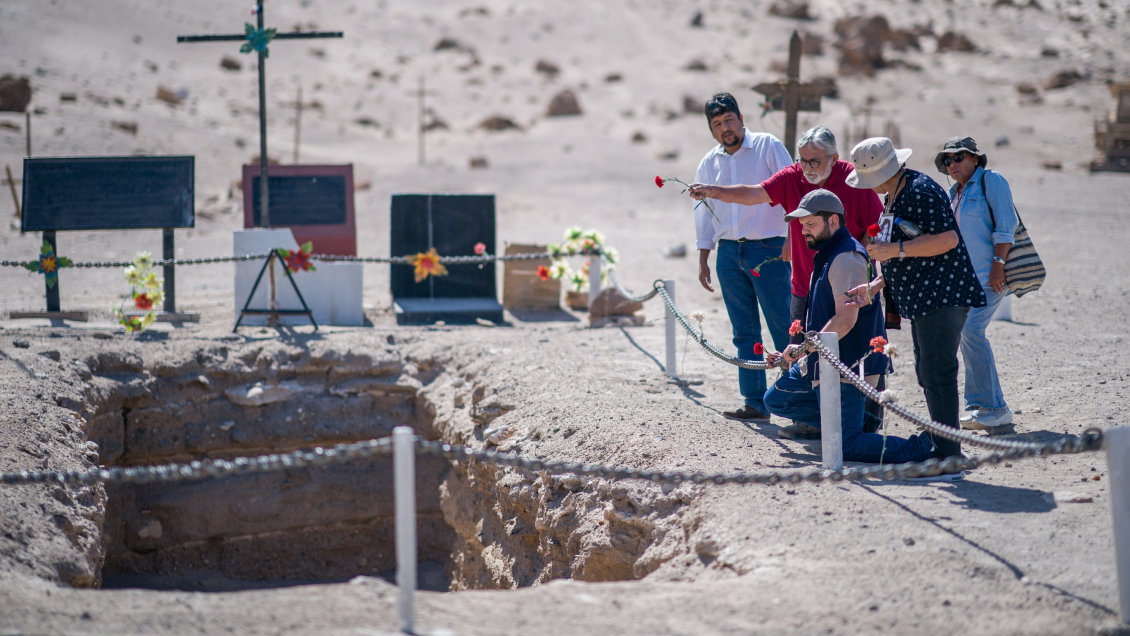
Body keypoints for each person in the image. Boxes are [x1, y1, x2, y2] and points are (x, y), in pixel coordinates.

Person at [688, 126, 885, 439]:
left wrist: (855, 258)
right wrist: (713, 191)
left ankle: (867, 424)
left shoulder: (856, 181)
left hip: (849, 284)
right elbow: (753, 194)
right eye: (803, 161)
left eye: (815, 161)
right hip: (804, 286)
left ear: (834, 158)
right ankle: (814, 421)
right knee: (806, 356)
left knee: (857, 352)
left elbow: (876, 228)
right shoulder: (792, 176)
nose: (808, 168)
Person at [843, 138, 987, 478]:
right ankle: (943, 446)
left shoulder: (919, 190)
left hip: (941, 297)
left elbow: (947, 239)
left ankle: (949, 453)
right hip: (927, 299)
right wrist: (876, 284)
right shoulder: (897, 193)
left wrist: (895, 252)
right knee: (930, 372)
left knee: (937, 373)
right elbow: (901, 251)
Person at [763, 189, 938, 465]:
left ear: (833, 221)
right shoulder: (827, 251)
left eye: (810, 224)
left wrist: (803, 350)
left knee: (846, 446)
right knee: (778, 398)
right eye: (801, 225)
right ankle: (862, 421)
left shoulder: (846, 257)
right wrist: (802, 349)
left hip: (848, 363)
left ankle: (926, 449)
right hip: (824, 358)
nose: (803, 231)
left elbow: (845, 321)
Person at [690, 93, 793, 421]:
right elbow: (703, 212)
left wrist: (793, 239)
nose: (726, 128)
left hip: (770, 248)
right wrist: (704, 257)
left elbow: (793, 191)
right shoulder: (709, 162)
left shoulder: (767, 146)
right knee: (744, 331)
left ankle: (798, 405)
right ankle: (756, 402)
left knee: (783, 327)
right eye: (717, 124)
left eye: (729, 120)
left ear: (741, 117)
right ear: (711, 129)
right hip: (728, 254)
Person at [935, 136, 1016, 431]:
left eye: (959, 157)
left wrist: (999, 265)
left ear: (974, 158)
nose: (953, 164)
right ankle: (979, 405)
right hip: (963, 281)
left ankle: (995, 407)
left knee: (972, 331)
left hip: (989, 277)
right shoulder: (952, 192)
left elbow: (1006, 227)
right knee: (966, 335)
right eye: (947, 160)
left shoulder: (990, 181)